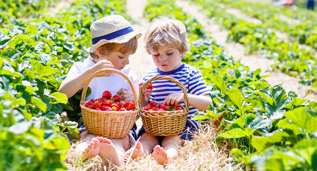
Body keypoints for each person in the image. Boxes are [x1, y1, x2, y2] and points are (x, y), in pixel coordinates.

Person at [58, 15, 143, 166]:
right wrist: (89, 73)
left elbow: (135, 114)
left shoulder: (128, 75)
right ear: (101, 52)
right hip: (91, 127)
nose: (127, 62)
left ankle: (114, 158)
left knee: (119, 141)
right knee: (87, 138)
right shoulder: (82, 68)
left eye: (129, 56)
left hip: (120, 129)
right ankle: (84, 152)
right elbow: (62, 94)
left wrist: (130, 100)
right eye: (121, 56)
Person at [137, 18, 212, 165]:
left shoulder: (190, 74)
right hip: (155, 126)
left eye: (169, 53)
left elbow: (208, 104)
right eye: (156, 55)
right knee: (147, 138)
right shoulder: (150, 77)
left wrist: (185, 97)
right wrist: (143, 100)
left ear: (182, 51)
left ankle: (168, 155)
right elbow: (141, 109)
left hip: (181, 126)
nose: (162, 59)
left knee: (172, 139)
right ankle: (138, 152)